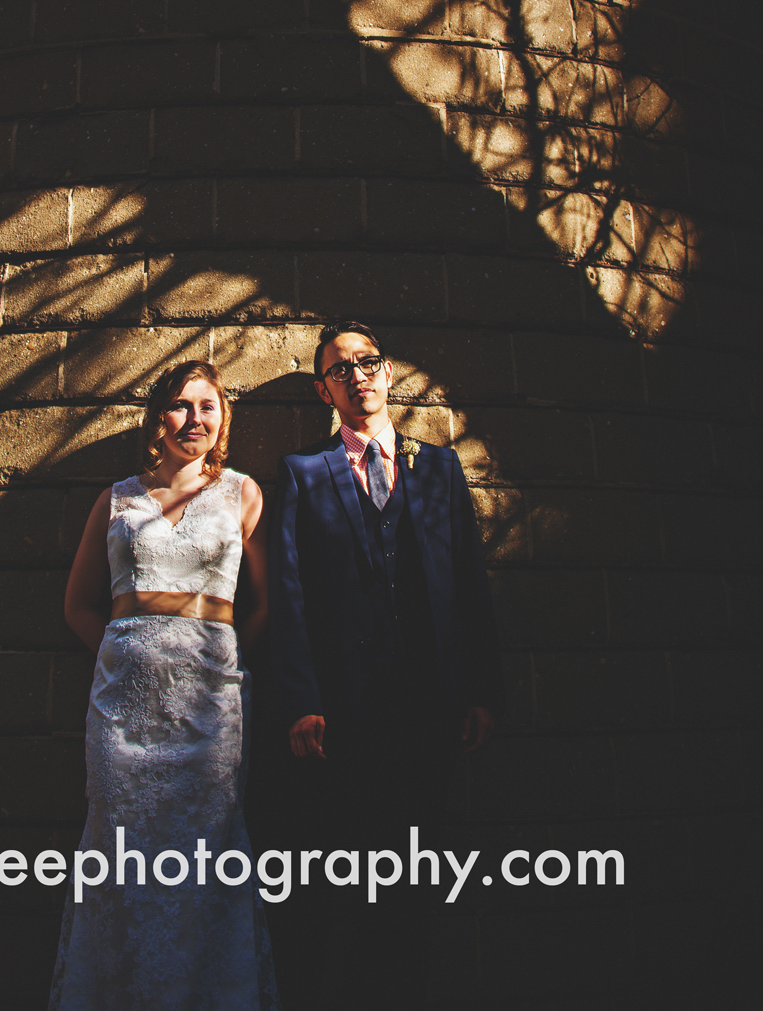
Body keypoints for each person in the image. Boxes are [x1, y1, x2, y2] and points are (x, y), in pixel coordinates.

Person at [269, 319, 504, 1008]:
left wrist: (478, 690)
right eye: (340, 368)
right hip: (345, 711)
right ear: (323, 390)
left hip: (430, 705)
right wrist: (299, 698)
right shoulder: (300, 473)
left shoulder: (438, 468)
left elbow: (467, 582)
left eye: (366, 361)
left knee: (419, 867)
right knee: (349, 869)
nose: (357, 375)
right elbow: (289, 591)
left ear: (388, 373)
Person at [49, 360, 280, 1011]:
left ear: (222, 421)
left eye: (208, 407)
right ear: (158, 417)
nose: (194, 419)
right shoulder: (117, 498)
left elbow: (261, 605)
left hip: (210, 708)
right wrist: (126, 654)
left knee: (206, 853)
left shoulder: (241, 494)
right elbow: (76, 605)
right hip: (122, 712)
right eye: (181, 406)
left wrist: (215, 661)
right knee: (121, 851)